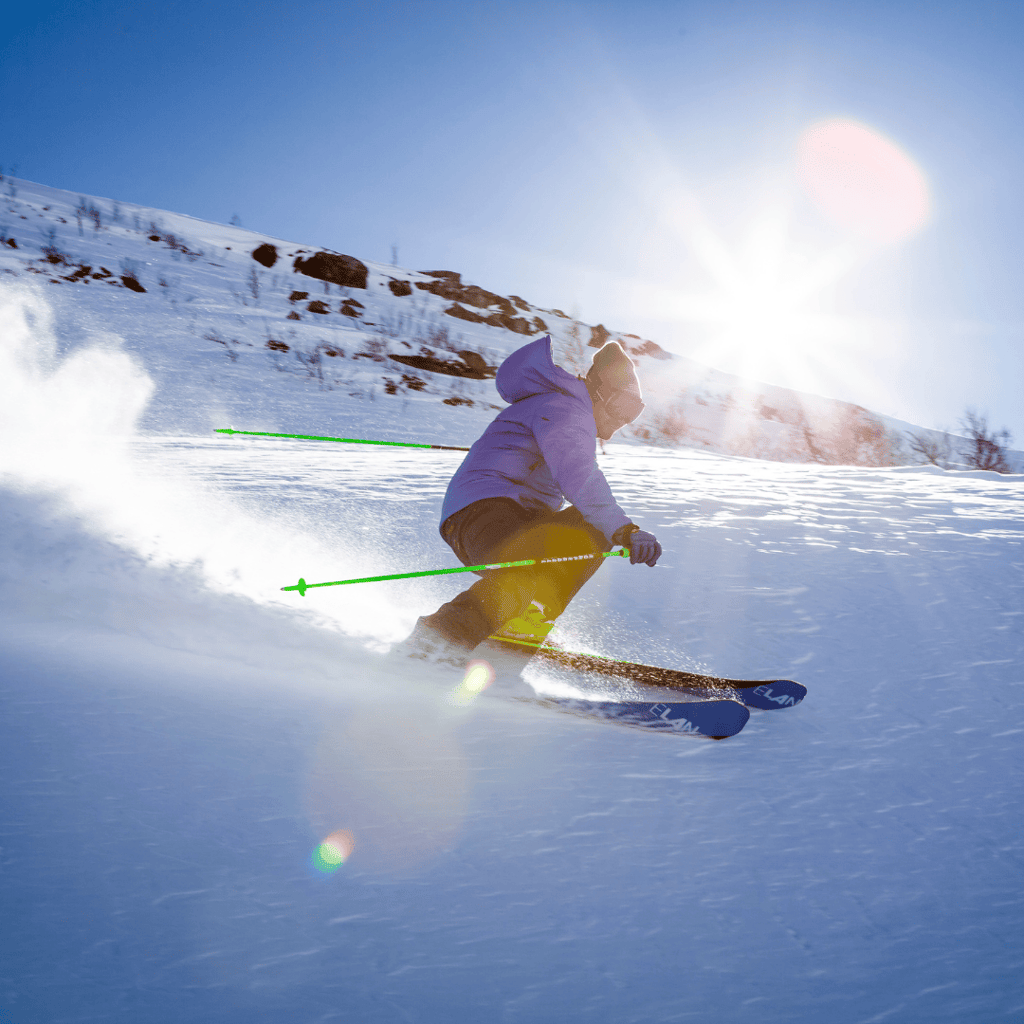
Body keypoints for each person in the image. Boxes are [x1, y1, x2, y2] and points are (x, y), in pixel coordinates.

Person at [398, 334, 662, 669]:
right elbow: (579, 476)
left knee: (588, 531)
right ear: (601, 392)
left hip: (513, 515)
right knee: (524, 570)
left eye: (634, 415)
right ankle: (439, 638)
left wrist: (613, 529)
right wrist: (624, 529)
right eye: (623, 409)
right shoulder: (565, 408)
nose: (617, 426)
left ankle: (518, 633)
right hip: (481, 512)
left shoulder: (566, 410)